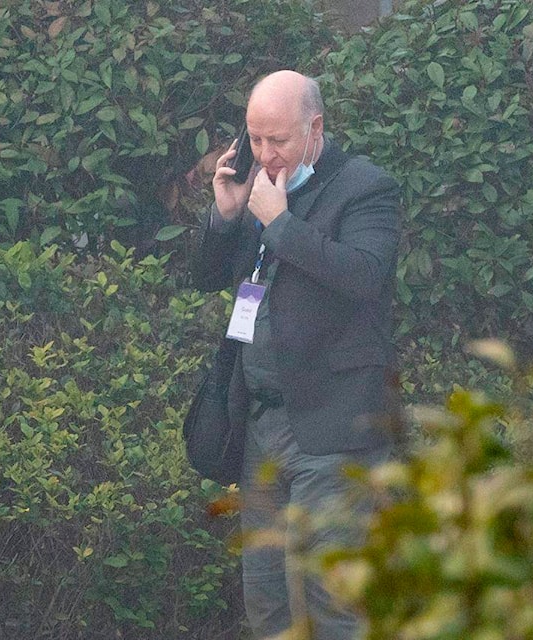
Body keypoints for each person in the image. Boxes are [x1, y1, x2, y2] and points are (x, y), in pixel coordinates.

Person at [191, 69, 402, 639]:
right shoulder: (256, 186)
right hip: (260, 424)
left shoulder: (365, 189)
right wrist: (227, 215)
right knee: (265, 601)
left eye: (278, 140)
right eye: (255, 140)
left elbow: (364, 276)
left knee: (334, 603)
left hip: (333, 428)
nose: (265, 154)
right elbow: (207, 277)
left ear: (316, 128)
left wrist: (278, 225)